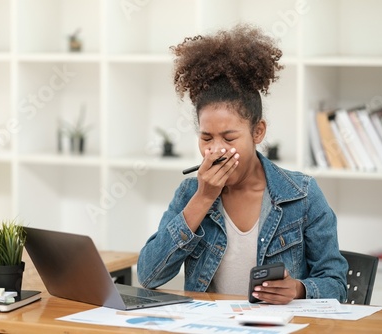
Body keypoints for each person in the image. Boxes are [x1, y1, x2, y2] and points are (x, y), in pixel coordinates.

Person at [137, 24, 348, 305]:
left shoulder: (303, 195)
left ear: (257, 132)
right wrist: (203, 198)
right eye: (206, 138)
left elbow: (336, 283)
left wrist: (298, 288)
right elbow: (149, 276)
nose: (215, 150)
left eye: (229, 137)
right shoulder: (190, 193)